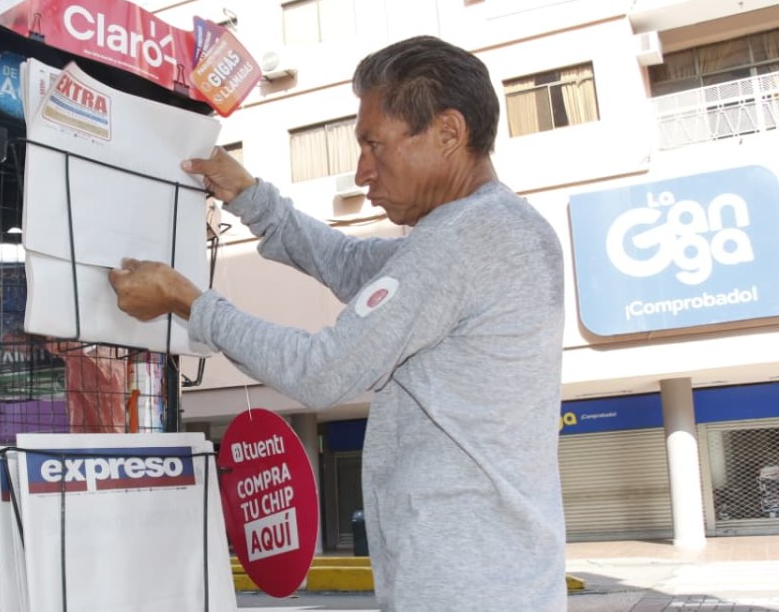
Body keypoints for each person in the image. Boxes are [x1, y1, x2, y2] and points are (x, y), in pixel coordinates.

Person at [109, 36, 566, 610]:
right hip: (489, 578)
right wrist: (251, 197)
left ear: (449, 133)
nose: (362, 171)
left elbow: (322, 371)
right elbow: (351, 264)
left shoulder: (466, 240)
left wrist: (189, 303)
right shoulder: (488, 229)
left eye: (374, 145)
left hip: (467, 587)